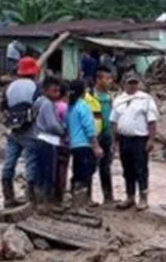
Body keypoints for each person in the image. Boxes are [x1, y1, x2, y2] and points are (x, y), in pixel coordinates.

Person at [111, 74, 160, 210]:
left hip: (140, 139)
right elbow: (114, 121)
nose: (132, 86)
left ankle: (143, 198)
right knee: (127, 168)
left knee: (141, 168)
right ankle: (130, 196)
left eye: (135, 83)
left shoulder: (145, 99)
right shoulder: (119, 100)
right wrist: (114, 141)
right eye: (130, 83)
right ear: (124, 84)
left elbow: (152, 120)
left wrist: (151, 139)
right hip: (124, 139)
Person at [1, 57, 39, 208]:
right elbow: (39, 108)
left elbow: (3, 109)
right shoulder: (36, 87)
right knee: (31, 163)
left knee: (9, 162)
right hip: (31, 130)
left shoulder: (9, 87)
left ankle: (8, 197)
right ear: (34, 72)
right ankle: (31, 197)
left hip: (13, 130)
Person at [28, 77, 66, 206]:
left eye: (58, 91)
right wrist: (63, 130)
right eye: (54, 91)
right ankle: (46, 202)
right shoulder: (47, 104)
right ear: (45, 90)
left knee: (40, 171)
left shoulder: (38, 102)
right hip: (48, 140)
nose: (57, 94)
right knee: (48, 173)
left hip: (38, 137)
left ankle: (38, 200)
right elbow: (52, 125)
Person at [66, 80, 103, 209]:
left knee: (77, 172)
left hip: (73, 144)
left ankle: (75, 201)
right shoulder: (83, 106)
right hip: (84, 144)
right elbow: (89, 128)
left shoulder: (69, 106)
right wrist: (96, 146)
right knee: (85, 173)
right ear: (83, 91)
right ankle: (81, 204)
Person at [92, 66, 117, 206]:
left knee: (106, 167)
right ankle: (86, 198)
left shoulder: (110, 98)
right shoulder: (90, 97)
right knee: (90, 167)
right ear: (98, 79)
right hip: (94, 137)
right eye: (107, 78)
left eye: (110, 78)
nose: (110, 81)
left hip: (107, 136)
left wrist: (114, 139)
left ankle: (108, 198)